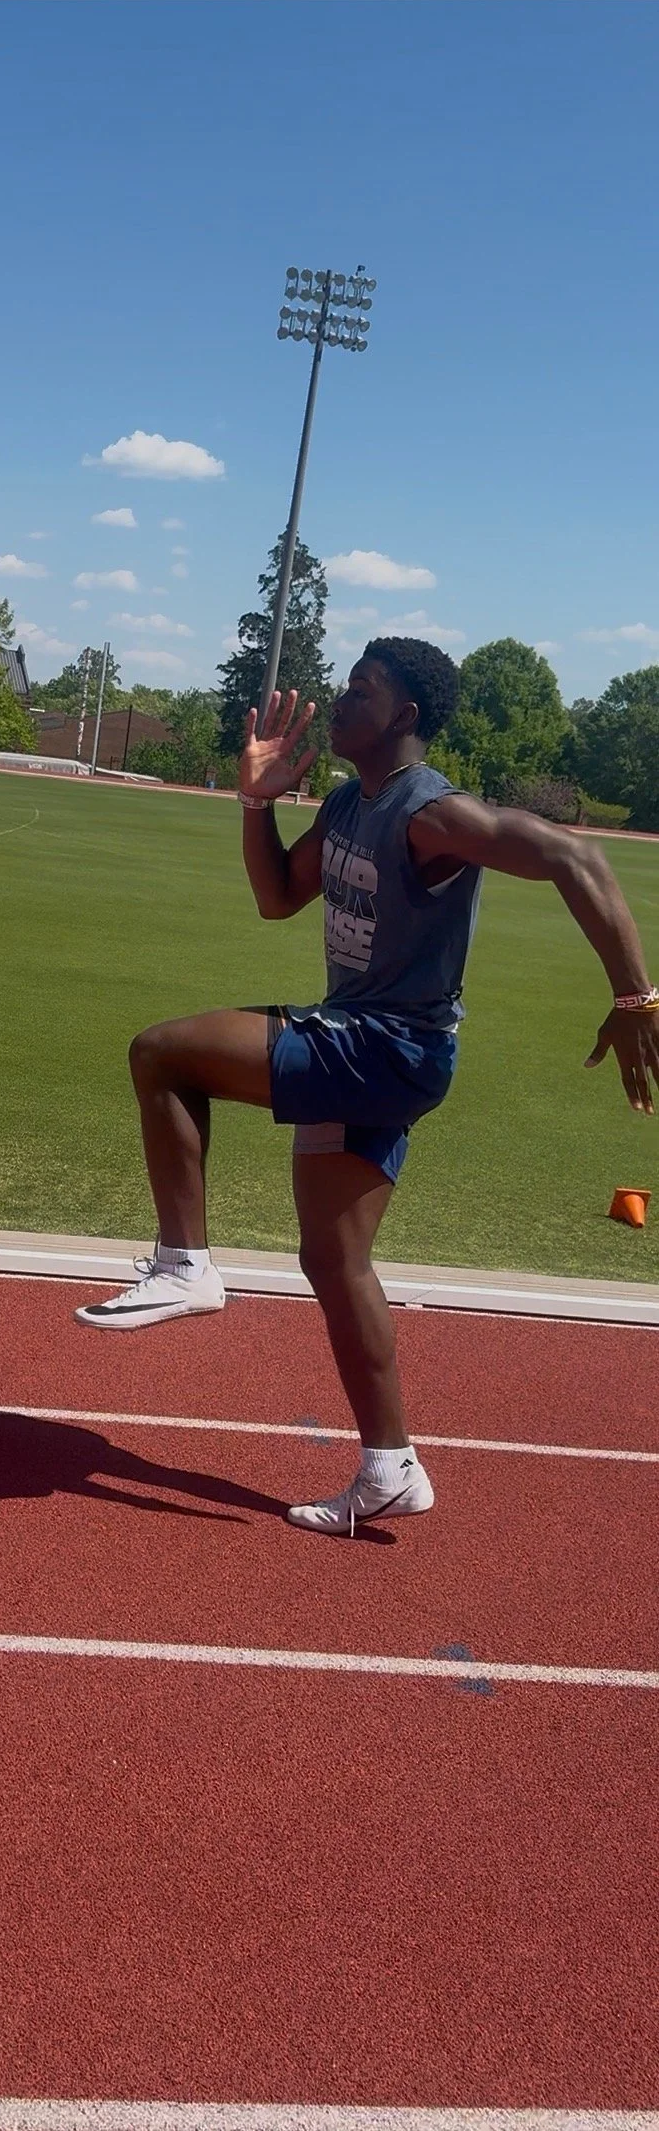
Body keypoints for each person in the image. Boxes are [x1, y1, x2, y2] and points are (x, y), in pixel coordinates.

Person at [76, 636, 659, 1535]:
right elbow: (276, 897)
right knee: (333, 1260)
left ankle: (184, 1264)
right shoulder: (352, 804)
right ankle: (390, 1467)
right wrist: (254, 801)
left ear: (405, 716)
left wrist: (636, 996)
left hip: (388, 1044)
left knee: (162, 1053)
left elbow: (573, 858)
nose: (341, 703)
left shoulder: (433, 813)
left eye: (361, 691)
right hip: (366, 1046)